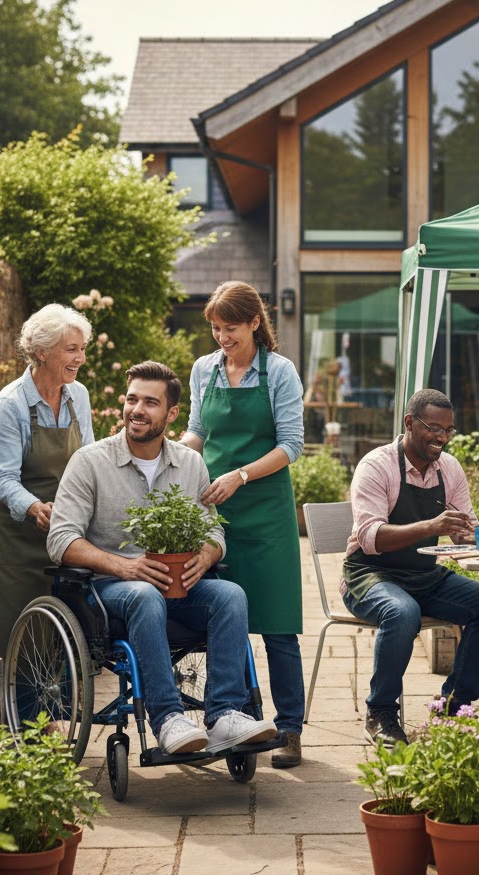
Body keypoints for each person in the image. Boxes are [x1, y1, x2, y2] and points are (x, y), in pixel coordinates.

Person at [47, 361, 278, 754]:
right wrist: (124, 566)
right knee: (144, 595)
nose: (137, 410)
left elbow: (213, 531)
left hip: (179, 585)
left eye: (150, 403)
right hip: (111, 590)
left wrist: (206, 555)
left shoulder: (190, 463)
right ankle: (168, 718)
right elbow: (61, 539)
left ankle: (224, 714)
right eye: (132, 399)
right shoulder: (90, 462)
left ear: (172, 414)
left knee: (231, 596)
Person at [180, 281, 306, 768]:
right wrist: (165, 452)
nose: (222, 338)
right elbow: (198, 432)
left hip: (267, 513)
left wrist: (241, 475)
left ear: (255, 322)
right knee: (220, 618)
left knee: (278, 625)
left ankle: (290, 728)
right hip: (214, 509)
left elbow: (291, 445)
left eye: (230, 328)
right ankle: (229, 719)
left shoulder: (279, 372)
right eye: (215, 328)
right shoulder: (204, 370)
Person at [343, 388, 479, 744]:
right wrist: (431, 526)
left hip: (424, 575)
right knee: (402, 612)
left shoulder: (449, 468)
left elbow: (462, 532)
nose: (442, 438)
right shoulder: (376, 466)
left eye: (448, 430)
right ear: (409, 423)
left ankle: (453, 710)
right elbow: (370, 537)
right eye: (434, 428)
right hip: (370, 574)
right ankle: (380, 712)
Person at [0, 304, 95, 658]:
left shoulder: (78, 395)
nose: (80, 358)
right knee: (7, 632)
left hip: (60, 528)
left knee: (56, 635)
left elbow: (88, 459)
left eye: (82, 348)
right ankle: (3, 696)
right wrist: (36, 508)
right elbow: (4, 477)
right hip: (11, 538)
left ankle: (52, 696)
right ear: (42, 352)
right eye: (71, 349)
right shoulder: (11, 404)